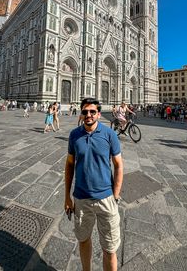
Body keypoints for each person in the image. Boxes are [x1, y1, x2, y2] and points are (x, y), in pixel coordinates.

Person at [64, 98, 123, 271]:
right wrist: (67, 197)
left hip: (106, 199)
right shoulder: (74, 135)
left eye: (92, 112)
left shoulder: (109, 134)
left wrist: (116, 195)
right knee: (83, 240)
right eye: (85, 112)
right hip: (81, 199)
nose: (88, 115)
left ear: (98, 113)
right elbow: (69, 164)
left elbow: (119, 165)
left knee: (110, 249)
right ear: (81, 113)